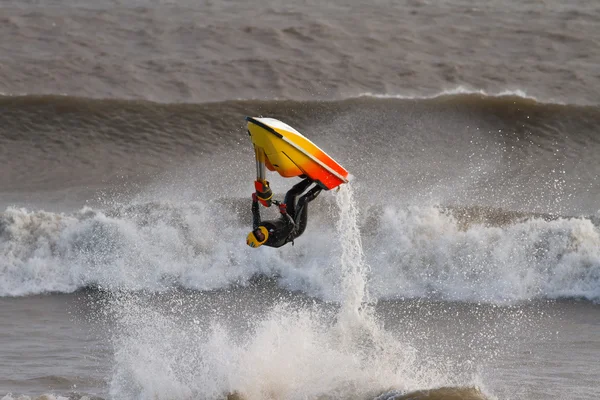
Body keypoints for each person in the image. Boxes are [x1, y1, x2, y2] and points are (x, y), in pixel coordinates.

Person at [246, 177, 322, 248]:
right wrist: (284, 213)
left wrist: (255, 201)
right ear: (261, 242)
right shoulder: (275, 240)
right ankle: (321, 184)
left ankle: (311, 178)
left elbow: (255, 212)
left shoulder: (257, 226)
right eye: (260, 237)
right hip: (296, 227)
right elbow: (291, 225)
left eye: (256, 232)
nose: (259, 233)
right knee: (303, 200)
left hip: (285, 218)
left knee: (290, 194)